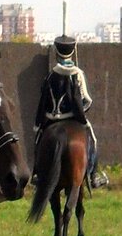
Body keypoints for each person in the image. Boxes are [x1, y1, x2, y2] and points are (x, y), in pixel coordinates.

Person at [32, 34, 109, 189]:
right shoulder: (77, 74)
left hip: (51, 119)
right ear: (73, 51)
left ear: (56, 52)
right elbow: (87, 100)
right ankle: (94, 175)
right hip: (71, 117)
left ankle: (37, 173)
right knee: (92, 140)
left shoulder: (50, 75)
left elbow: (44, 100)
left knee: (38, 139)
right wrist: (81, 111)